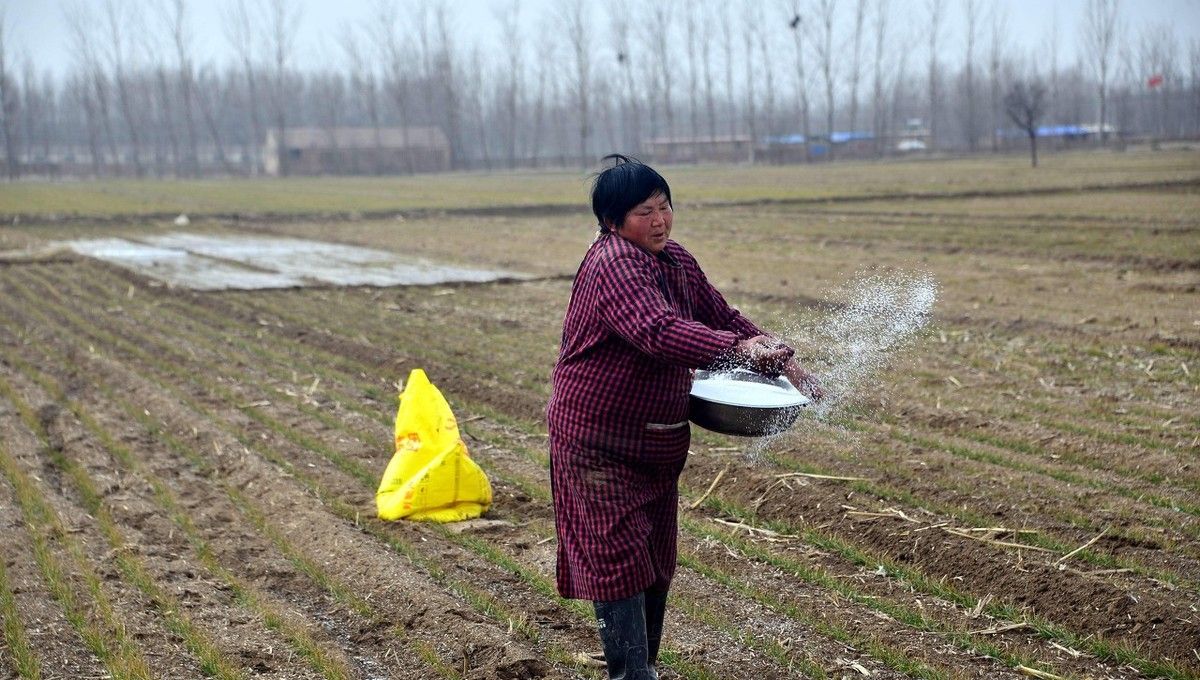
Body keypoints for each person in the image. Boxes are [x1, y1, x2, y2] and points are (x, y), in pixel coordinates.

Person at [546, 155, 823, 679]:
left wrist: (785, 362)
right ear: (611, 221)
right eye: (644, 211)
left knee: (653, 559)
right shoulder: (613, 263)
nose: (660, 221)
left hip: (656, 443)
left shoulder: (674, 260)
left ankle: (642, 667)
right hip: (599, 443)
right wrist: (739, 350)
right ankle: (631, 673)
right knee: (618, 562)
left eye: (665, 206)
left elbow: (722, 316)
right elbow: (660, 331)